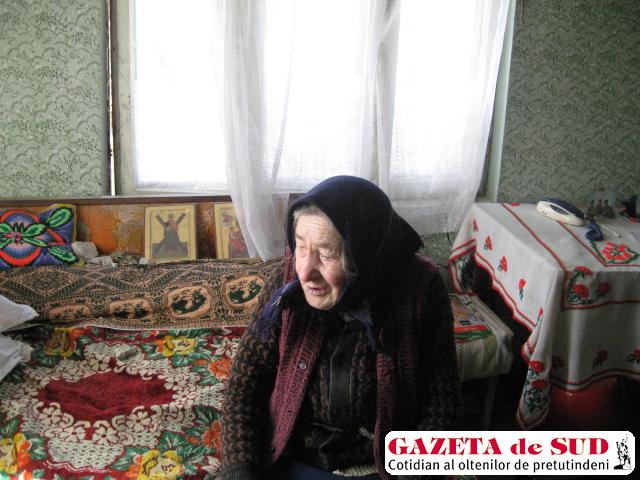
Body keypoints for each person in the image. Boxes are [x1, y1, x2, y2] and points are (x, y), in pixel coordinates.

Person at [220, 176, 461, 480]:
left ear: (364, 252)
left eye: (326, 254)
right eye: (301, 246)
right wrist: (241, 470)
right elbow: (245, 383)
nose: (305, 272)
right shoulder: (285, 283)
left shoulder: (420, 289)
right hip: (293, 457)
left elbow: (441, 403)